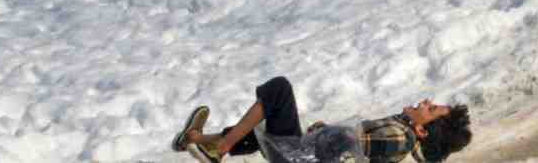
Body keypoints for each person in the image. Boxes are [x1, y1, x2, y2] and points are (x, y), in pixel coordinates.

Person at [171, 76, 471, 163]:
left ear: (422, 130)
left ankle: (218, 150)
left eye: (432, 109)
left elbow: (348, 151)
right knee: (260, 126)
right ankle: (195, 141)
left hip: (298, 159)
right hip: (303, 154)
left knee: (279, 91)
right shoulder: (401, 133)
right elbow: (352, 147)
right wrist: (326, 132)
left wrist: (327, 137)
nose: (427, 102)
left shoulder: (397, 135)